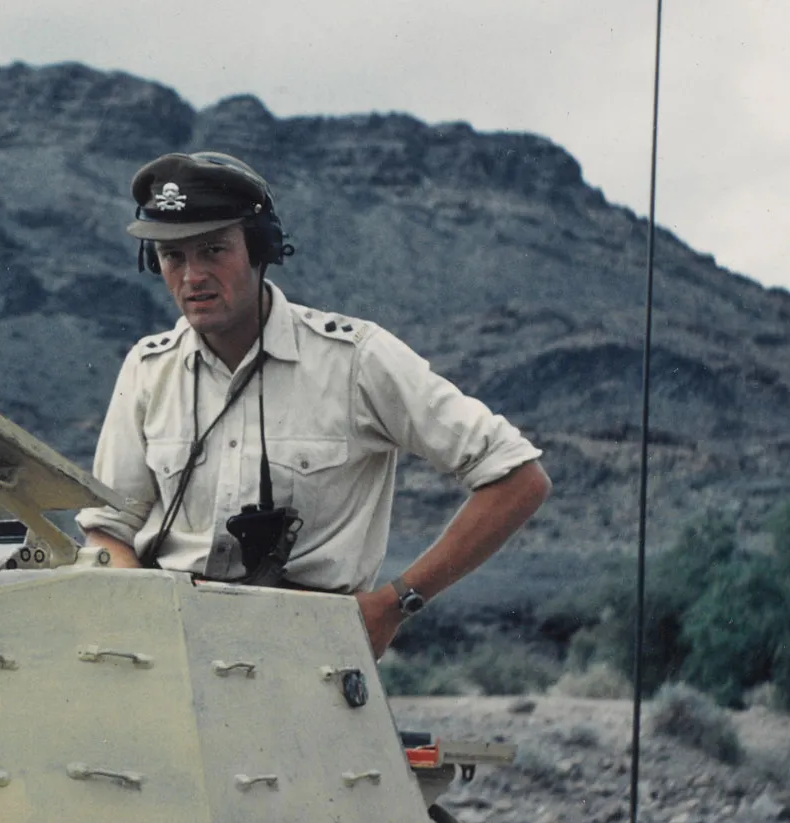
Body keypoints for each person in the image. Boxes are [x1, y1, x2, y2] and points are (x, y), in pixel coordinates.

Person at [75, 151, 551, 659]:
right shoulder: (148, 369)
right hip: (169, 654)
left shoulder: (356, 359)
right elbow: (109, 529)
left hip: (309, 658)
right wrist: (138, 611)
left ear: (261, 248)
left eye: (213, 250)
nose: (192, 276)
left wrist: (395, 603)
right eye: (172, 257)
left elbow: (518, 478)